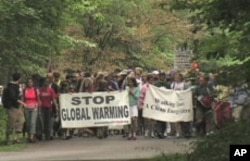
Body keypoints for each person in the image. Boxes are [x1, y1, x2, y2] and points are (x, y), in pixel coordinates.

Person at [4, 73, 26, 145]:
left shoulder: (17, 86)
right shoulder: (10, 86)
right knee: (11, 122)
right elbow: (13, 98)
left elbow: (18, 95)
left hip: (18, 106)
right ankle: (8, 139)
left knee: (20, 121)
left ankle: (16, 138)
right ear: (19, 78)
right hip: (12, 107)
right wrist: (23, 103)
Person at [23, 78, 40, 143]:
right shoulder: (25, 90)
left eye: (31, 82)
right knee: (28, 122)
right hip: (26, 107)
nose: (29, 83)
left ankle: (32, 136)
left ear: (33, 83)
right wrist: (23, 106)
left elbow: (38, 99)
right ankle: (28, 134)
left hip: (34, 107)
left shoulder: (36, 90)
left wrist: (38, 107)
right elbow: (23, 99)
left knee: (33, 122)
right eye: (28, 82)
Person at [155, 72, 170, 138]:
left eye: (163, 76)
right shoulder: (156, 84)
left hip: (165, 103)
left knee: (164, 118)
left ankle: (163, 132)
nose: (162, 77)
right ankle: (159, 131)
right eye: (160, 76)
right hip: (158, 102)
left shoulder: (167, 84)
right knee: (159, 118)